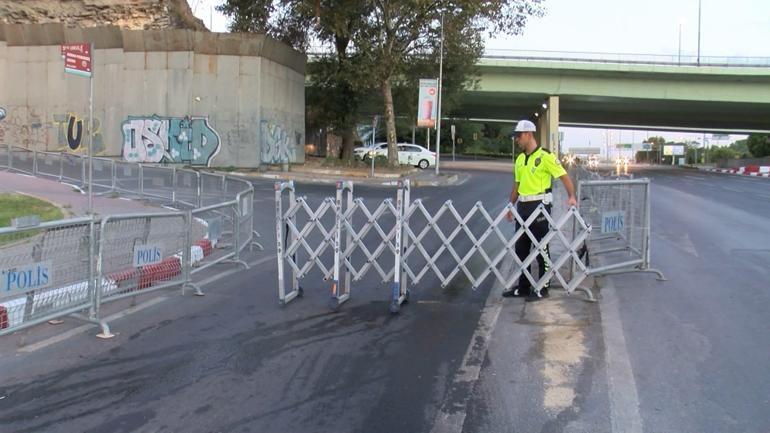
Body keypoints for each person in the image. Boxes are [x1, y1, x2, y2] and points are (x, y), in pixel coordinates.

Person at [503, 119, 577, 302]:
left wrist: (572, 196)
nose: (517, 140)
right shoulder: (520, 159)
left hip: (540, 207)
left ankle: (543, 286)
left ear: (529, 134)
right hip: (523, 206)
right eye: (516, 137)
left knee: (541, 248)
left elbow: (563, 176)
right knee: (521, 248)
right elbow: (517, 185)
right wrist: (510, 205)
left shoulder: (545, 157)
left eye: (519, 136)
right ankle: (523, 287)